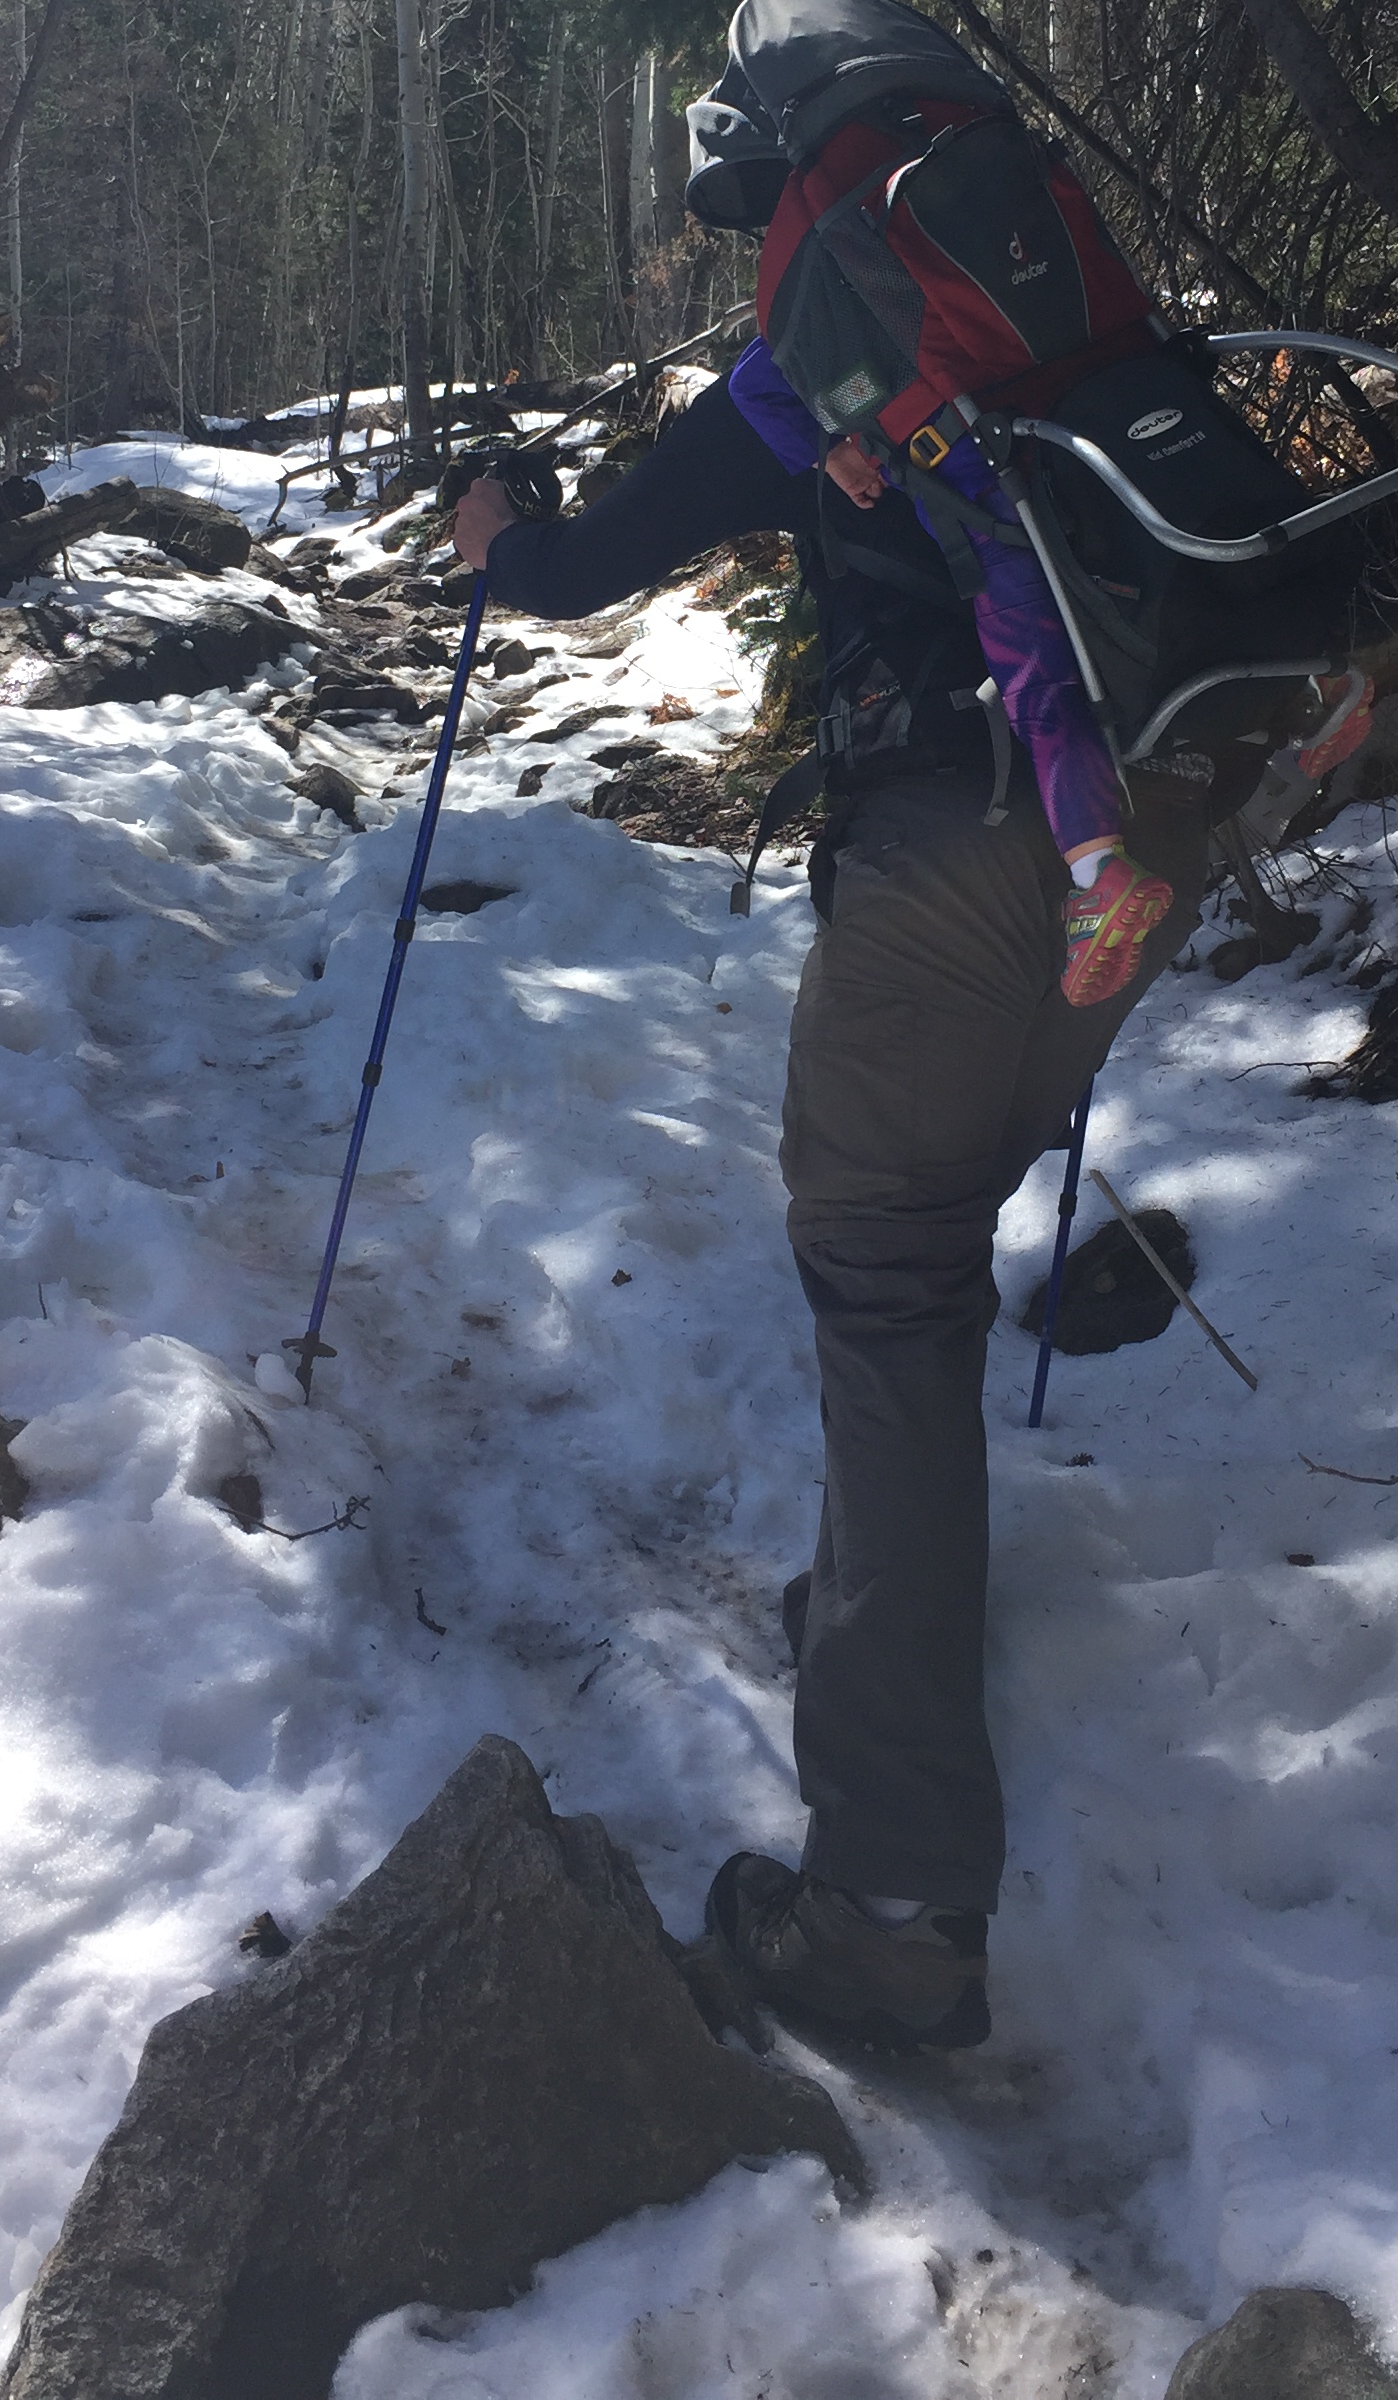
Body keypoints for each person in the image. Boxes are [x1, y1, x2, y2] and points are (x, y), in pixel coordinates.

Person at [451, 339, 1212, 2051]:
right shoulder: (1065, 306)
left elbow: (577, 567)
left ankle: (888, 1910)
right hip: (1148, 828)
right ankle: (883, 1619)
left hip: (953, 816)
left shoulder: (828, 347)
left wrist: (498, 530)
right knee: (919, 1245)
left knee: (882, 1273)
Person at [723, 335, 1176, 1008]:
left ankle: (1098, 873)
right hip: (1098, 437)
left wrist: (838, 453)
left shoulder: (839, 285)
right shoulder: (981, 239)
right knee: (1165, 588)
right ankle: (1315, 683)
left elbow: (753, 385)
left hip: (983, 490)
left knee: (1041, 685)